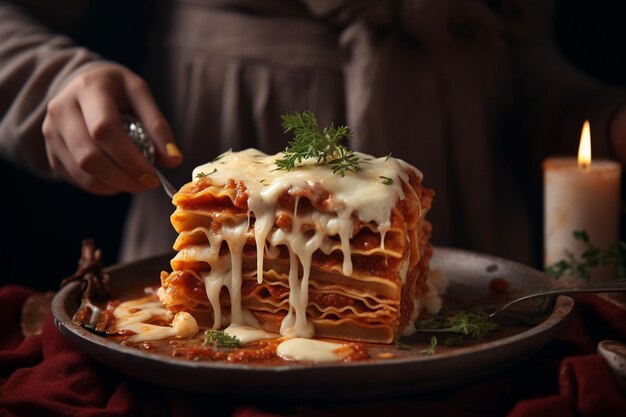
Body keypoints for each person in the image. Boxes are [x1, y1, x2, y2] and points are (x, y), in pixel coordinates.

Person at [0, 0, 625, 268]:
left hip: (472, 244)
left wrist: (600, 117)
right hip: (219, 244)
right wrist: (57, 81)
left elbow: (518, 64)